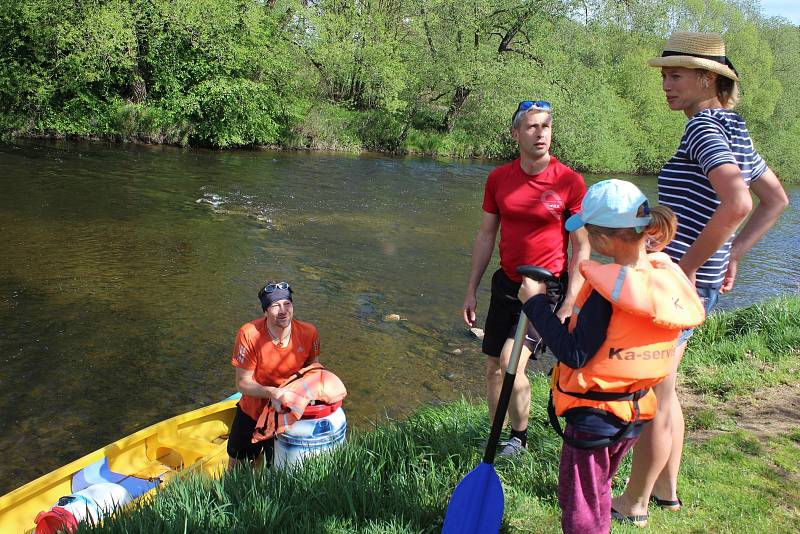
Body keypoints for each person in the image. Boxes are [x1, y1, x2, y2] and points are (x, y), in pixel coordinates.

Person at [611, 32, 789, 523]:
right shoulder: (735, 128)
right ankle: (666, 492)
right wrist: (732, 257)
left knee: (653, 391)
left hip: (680, 283)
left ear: (708, 79)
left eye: (676, 75)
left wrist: (686, 268)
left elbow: (741, 203)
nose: (665, 84)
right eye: (665, 75)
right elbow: (777, 199)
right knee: (667, 386)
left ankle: (634, 502)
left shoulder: (704, 130)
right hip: (699, 282)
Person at [518, 179, 705, 534]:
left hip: (595, 417)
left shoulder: (610, 291)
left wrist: (535, 304)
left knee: (581, 506)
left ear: (602, 240)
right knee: (598, 489)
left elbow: (574, 353)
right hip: (632, 414)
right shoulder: (658, 275)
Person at [462, 100, 590, 456]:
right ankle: (494, 437)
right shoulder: (499, 179)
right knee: (492, 367)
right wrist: (470, 289)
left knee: (510, 361)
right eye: (532, 127)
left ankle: (519, 437)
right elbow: (486, 236)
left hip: (544, 288)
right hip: (506, 284)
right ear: (516, 133)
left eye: (546, 126)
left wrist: (570, 300)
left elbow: (581, 246)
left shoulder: (569, 182)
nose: (540, 134)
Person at [227, 281, 320, 469]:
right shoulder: (249, 334)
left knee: (274, 468)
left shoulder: (309, 332)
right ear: (265, 312)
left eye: (287, 304)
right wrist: (272, 393)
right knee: (236, 467)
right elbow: (242, 384)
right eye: (275, 305)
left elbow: (312, 371)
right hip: (252, 411)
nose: (283, 310)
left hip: (285, 416)